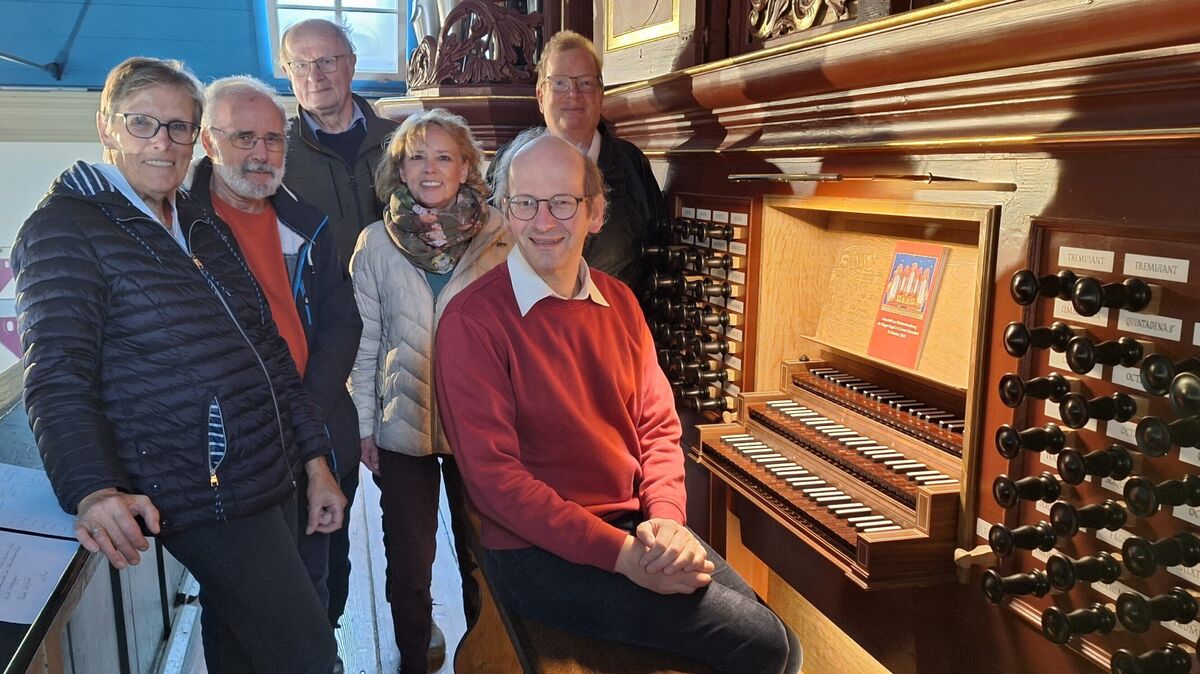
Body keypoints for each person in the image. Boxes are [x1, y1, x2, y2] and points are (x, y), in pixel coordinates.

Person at [12, 57, 344, 674]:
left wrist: (314, 459)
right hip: (200, 486)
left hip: (270, 467)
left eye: (179, 127)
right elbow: (57, 373)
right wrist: (92, 489)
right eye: (143, 123)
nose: (163, 143)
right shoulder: (64, 228)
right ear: (106, 126)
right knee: (309, 653)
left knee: (244, 648)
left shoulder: (197, 220)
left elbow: (268, 350)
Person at [434, 130, 797, 674]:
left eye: (562, 202)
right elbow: (496, 483)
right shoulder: (471, 322)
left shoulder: (621, 301)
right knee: (762, 644)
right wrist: (624, 557)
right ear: (504, 213)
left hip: (637, 524)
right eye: (525, 203)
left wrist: (668, 520)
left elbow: (657, 426)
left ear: (596, 212)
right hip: (537, 552)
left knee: (779, 638)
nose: (543, 221)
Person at [187, 75, 363, 652]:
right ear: (209, 142)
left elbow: (342, 323)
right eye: (244, 138)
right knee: (240, 609)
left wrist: (307, 415)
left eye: (273, 139)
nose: (261, 153)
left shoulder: (307, 224)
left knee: (322, 589)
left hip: (318, 431)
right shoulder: (176, 228)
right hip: (232, 451)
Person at [349, 108, 510, 674]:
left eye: (444, 156)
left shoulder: (502, 237)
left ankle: (486, 659)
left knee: (482, 556)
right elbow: (365, 342)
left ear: (467, 168)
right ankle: (413, 659)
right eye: (417, 156)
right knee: (408, 563)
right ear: (400, 168)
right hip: (400, 427)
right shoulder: (374, 243)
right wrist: (363, 426)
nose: (430, 168)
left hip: (481, 429)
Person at [278, 16, 398, 630]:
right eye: (301, 64)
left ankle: (415, 612)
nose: (316, 74)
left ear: (351, 64)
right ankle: (329, 631)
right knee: (332, 490)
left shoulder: (400, 139)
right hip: (323, 349)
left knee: (409, 498)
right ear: (287, 73)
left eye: (327, 60)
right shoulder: (275, 152)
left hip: (401, 342)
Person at [488, 29, 667, 290]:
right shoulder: (510, 162)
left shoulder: (632, 164)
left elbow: (657, 256)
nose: (573, 94)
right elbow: (487, 250)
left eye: (586, 83)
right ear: (541, 97)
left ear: (600, 95)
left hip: (613, 312)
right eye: (559, 83)